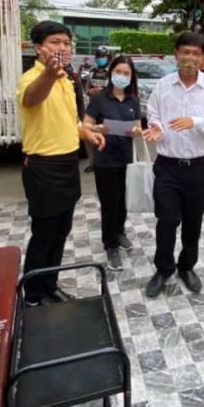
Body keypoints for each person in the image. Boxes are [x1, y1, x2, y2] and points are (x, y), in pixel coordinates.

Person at [17, 21, 105, 306]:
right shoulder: (31, 78)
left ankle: (50, 285)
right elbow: (32, 98)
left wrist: (87, 133)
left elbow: (71, 121)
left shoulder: (67, 80)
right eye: (55, 42)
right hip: (44, 167)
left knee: (61, 232)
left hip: (68, 164)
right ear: (37, 48)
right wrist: (48, 75)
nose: (63, 48)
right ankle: (32, 296)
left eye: (67, 43)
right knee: (44, 234)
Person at [142, 32, 204, 298]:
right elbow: (153, 115)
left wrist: (194, 121)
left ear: (203, 57)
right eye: (185, 52)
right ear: (176, 54)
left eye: (195, 53)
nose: (190, 58)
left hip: (199, 167)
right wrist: (156, 127)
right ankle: (163, 268)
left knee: (193, 221)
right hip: (167, 166)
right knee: (166, 220)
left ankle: (187, 266)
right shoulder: (163, 86)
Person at [82, 55, 142, 271]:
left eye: (126, 73)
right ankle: (110, 245)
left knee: (123, 202)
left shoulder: (133, 100)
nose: (122, 76)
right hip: (105, 159)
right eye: (119, 72)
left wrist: (136, 131)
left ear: (131, 77)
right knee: (110, 204)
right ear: (111, 73)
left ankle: (119, 232)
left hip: (126, 159)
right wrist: (96, 128)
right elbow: (85, 125)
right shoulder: (99, 98)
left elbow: (138, 127)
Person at [84, 46, 111, 172]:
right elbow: (86, 89)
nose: (101, 59)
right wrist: (91, 91)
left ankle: (106, 162)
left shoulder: (111, 72)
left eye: (103, 56)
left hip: (107, 109)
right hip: (92, 110)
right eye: (99, 56)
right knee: (89, 137)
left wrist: (103, 91)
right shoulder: (92, 72)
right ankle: (92, 163)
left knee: (107, 136)